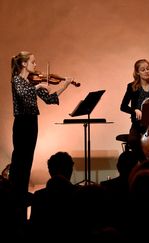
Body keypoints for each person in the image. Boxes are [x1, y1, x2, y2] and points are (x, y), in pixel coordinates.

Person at [9, 51, 73, 223]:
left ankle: (20, 195)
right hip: (22, 124)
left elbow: (50, 99)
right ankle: (15, 198)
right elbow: (24, 95)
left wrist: (65, 84)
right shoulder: (17, 80)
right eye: (33, 62)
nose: (36, 66)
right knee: (20, 161)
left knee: (27, 160)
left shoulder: (30, 81)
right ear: (23, 64)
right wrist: (38, 87)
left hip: (31, 123)